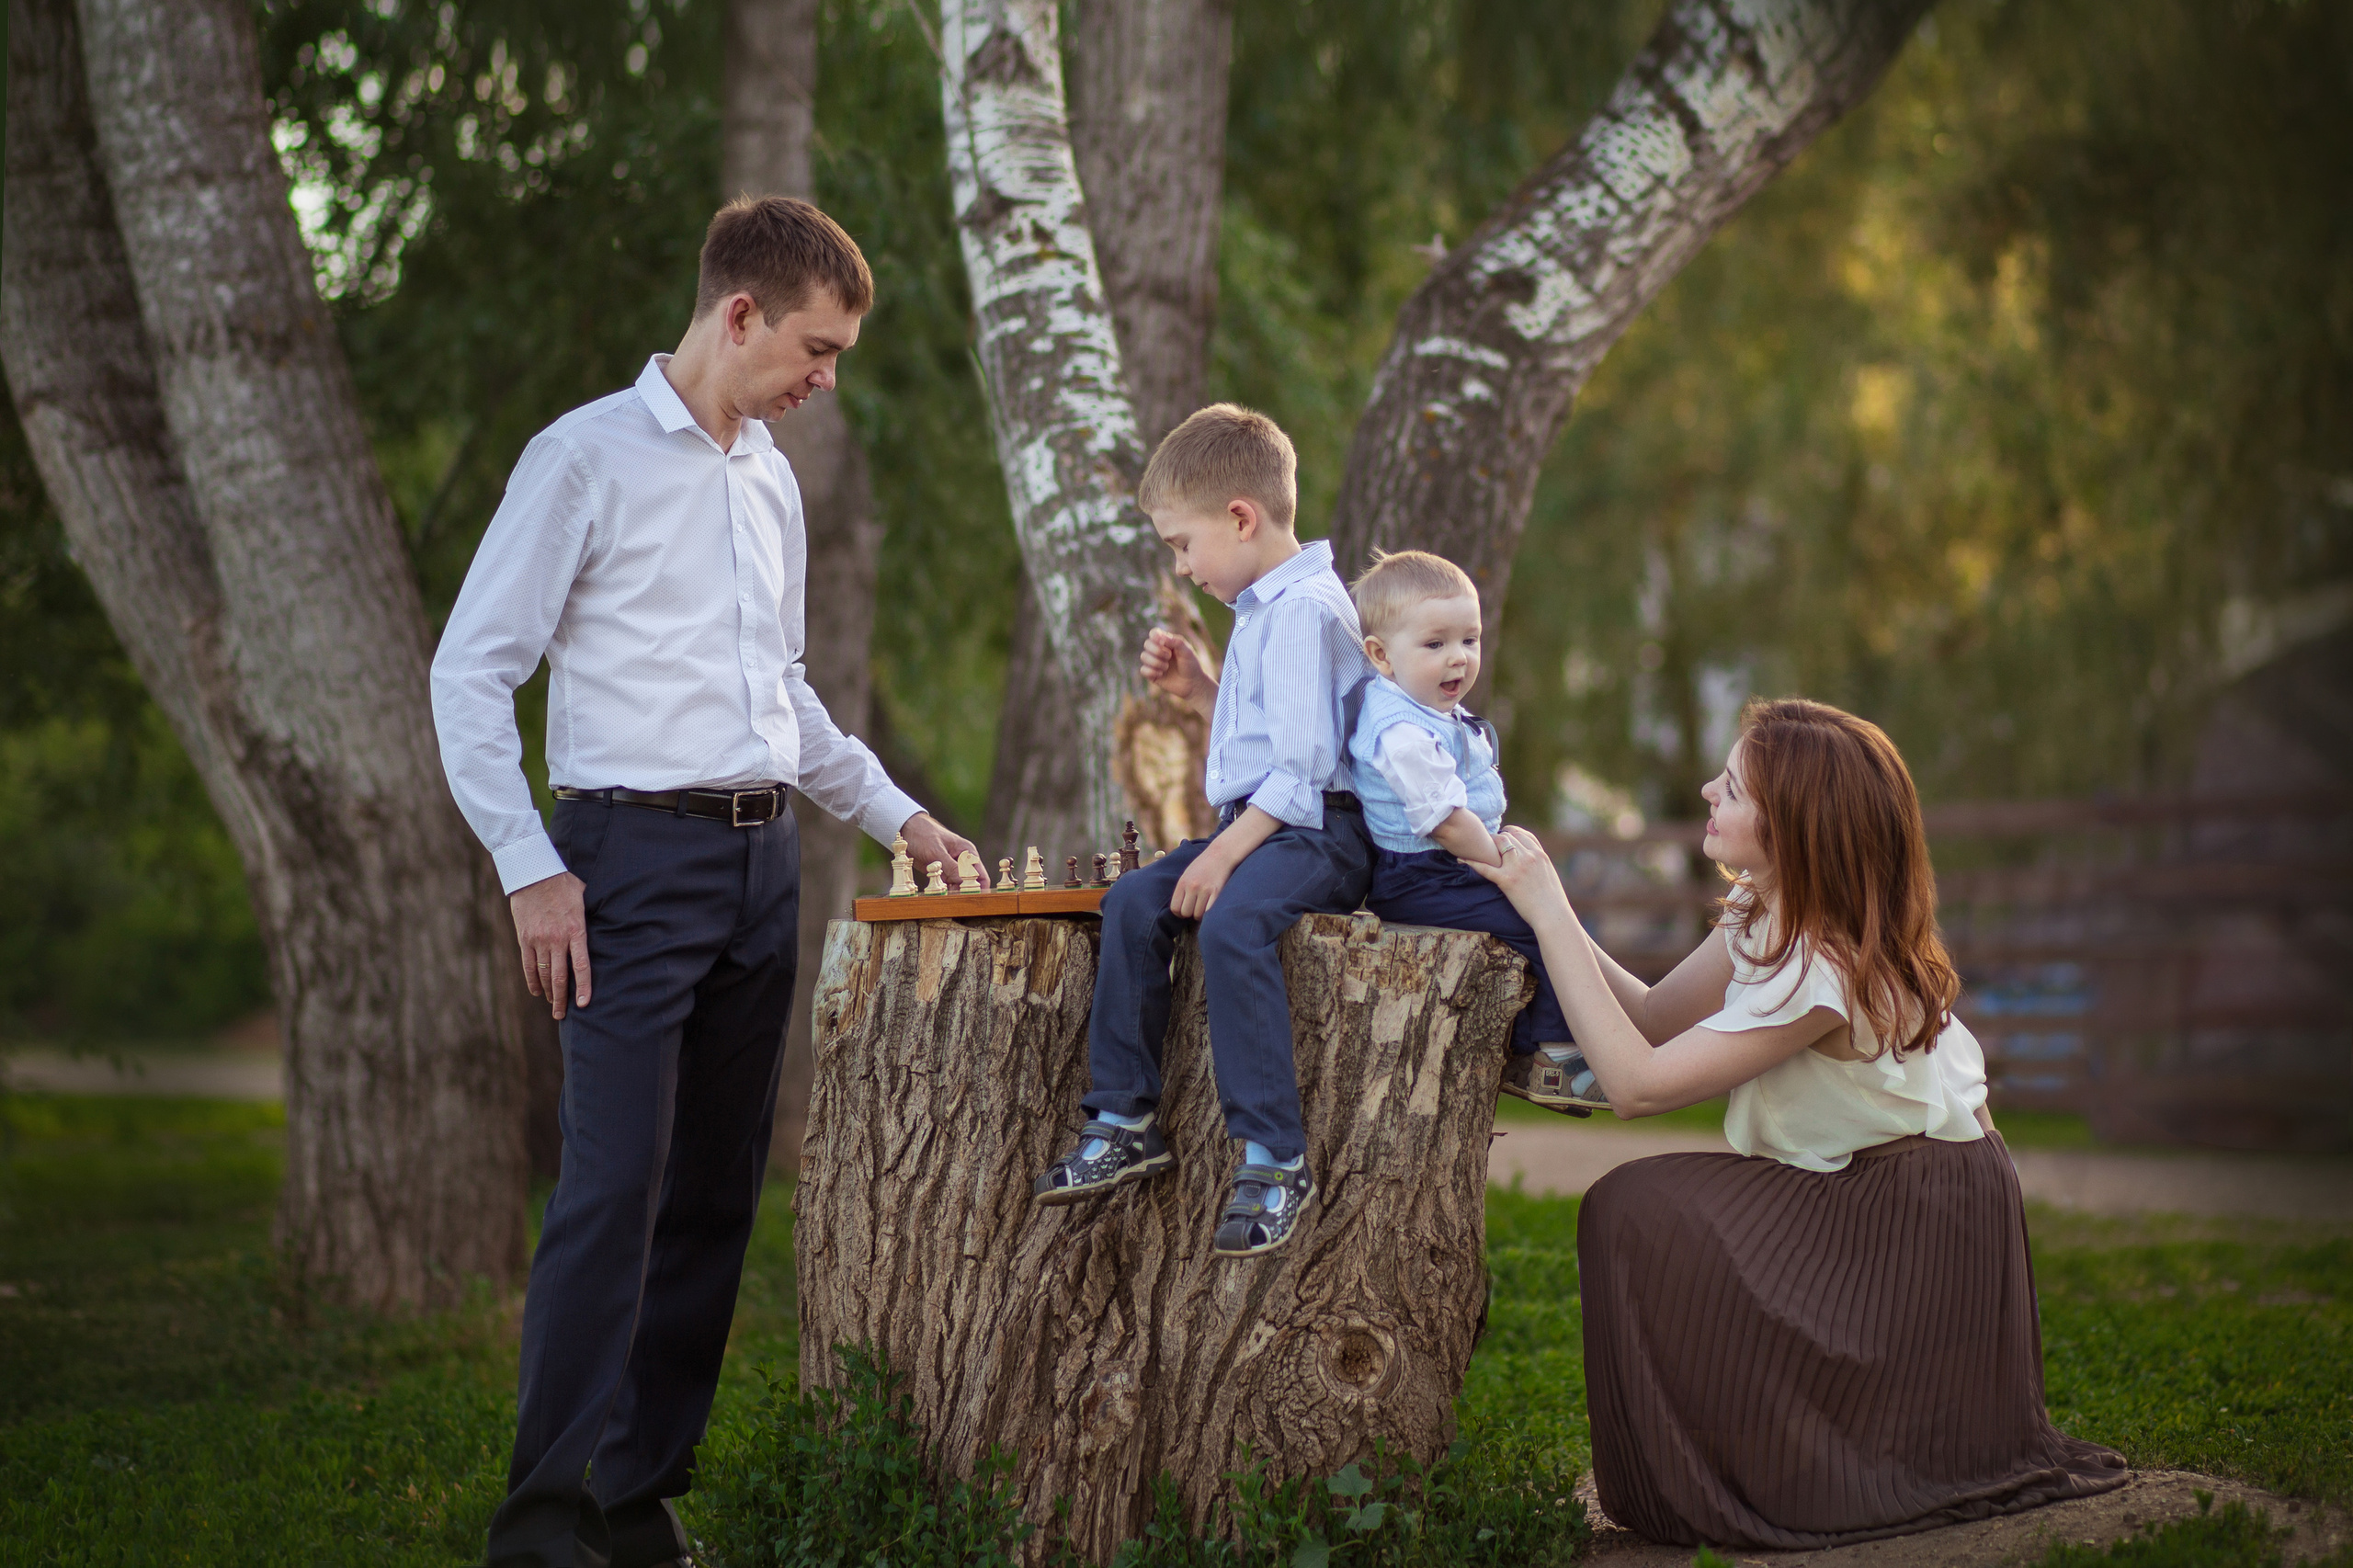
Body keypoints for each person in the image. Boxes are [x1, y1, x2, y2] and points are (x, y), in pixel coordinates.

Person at [431, 196, 975, 1568]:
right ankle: (538, 1526)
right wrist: (530, 871)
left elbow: (782, 695)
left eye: (838, 355)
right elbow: (469, 672)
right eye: (816, 345)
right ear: (737, 314)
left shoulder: (769, 476)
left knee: (718, 1193)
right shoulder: (583, 459)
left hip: (759, 867)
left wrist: (901, 816)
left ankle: (635, 1494)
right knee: (613, 1192)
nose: (824, 378)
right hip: (619, 868)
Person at [1472, 698, 2127, 1550]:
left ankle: (1776, 1471)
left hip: (1917, 1213)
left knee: (1636, 1209)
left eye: (1733, 788)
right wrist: (1540, 911)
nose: (1708, 789)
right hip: (1855, 1179)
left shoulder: (1824, 966)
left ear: (1793, 828)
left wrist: (1550, 910)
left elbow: (1635, 1087)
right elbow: (1657, 1020)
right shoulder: (1763, 908)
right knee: (1635, 1209)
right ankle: (1736, 1464)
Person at [1029, 403, 1375, 1256]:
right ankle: (1123, 1118)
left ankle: (1273, 1156)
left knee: (1231, 922)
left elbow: (1302, 774)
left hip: (1317, 834)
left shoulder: (1299, 612)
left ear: (1241, 517)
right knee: (1135, 903)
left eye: (1184, 545)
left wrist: (1224, 852)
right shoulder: (1267, 606)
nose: (1181, 569)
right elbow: (1276, 740)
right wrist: (1200, 688)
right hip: (1272, 823)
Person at [1343, 550, 1596, 1116]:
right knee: (1539, 926)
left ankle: (1563, 1034)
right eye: (1435, 645)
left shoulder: (1426, 706)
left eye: (1469, 640)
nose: (1458, 659)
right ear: (1382, 656)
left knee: (1549, 916)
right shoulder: (1400, 731)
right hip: (1420, 877)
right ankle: (1549, 1057)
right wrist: (1507, 870)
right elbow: (1448, 824)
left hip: (1448, 865)